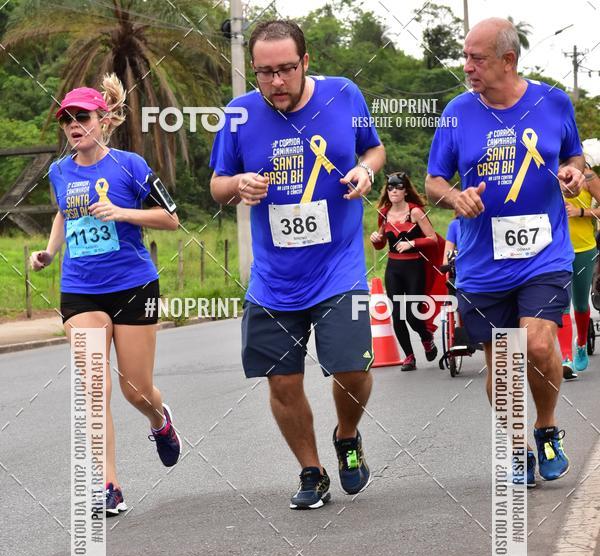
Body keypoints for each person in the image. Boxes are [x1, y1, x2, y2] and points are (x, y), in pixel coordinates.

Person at [209, 19, 385, 509]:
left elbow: (374, 148)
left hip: (339, 267)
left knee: (351, 369)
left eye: (286, 69)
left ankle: (346, 435)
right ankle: (312, 471)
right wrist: (237, 184)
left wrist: (365, 170)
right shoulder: (238, 115)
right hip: (273, 279)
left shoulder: (344, 96)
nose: (275, 82)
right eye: (264, 73)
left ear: (306, 62)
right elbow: (217, 184)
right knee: (282, 381)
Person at [426, 17, 585, 487]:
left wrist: (573, 173)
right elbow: (433, 180)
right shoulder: (457, 111)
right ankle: (517, 446)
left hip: (544, 253)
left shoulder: (552, 101)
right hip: (482, 264)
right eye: (465, 57)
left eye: (477, 58)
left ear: (508, 60)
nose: (467, 66)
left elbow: (573, 155)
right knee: (503, 362)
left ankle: (547, 426)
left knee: (536, 344)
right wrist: (455, 199)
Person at [29, 76, 181, 514]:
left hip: (133, 285)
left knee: (135, 389)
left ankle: (159, 421)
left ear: (104, 120)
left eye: (82, 117)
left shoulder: (130, 165)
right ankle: (108, 486)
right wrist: (49, 252)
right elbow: (63, 213)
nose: (74, 125)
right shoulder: (59, 171)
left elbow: (170, 219)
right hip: (80, 291)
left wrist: (122, 212)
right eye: (67, 120)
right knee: (94, 391)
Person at [370, 172, 439, 371]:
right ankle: (409, 356)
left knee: (412, 314)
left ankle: (426, 337)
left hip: (414, 267)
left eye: (398, 187)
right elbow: (380, 245)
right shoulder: (383, 213)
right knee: (397, 314)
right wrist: (377, 240)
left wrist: (412, 243)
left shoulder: (415, 212)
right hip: (393, 268)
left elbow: (432, 238)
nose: (393, 190)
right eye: (390, 187)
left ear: (405, 190)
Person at [558, 161, 600, 378]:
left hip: (584, 248)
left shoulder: (587, 176)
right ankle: (567, 359)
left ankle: (581, 343)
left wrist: (580, 211)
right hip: (555, 251)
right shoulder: (545, 172)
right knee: (562, 305)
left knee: (581, 305)